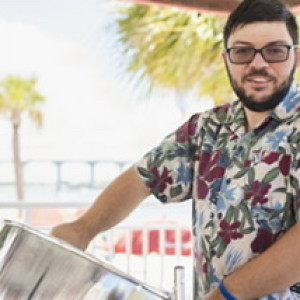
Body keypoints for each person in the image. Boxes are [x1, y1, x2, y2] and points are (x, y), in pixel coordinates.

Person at [51, 0, 300, 298]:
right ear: (226, 59)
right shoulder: (207, 127)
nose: (258, 63)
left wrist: (225, 295)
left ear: (295, 57)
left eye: (275, 51)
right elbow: (143, 177)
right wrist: (83, 228)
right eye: (243, 51)